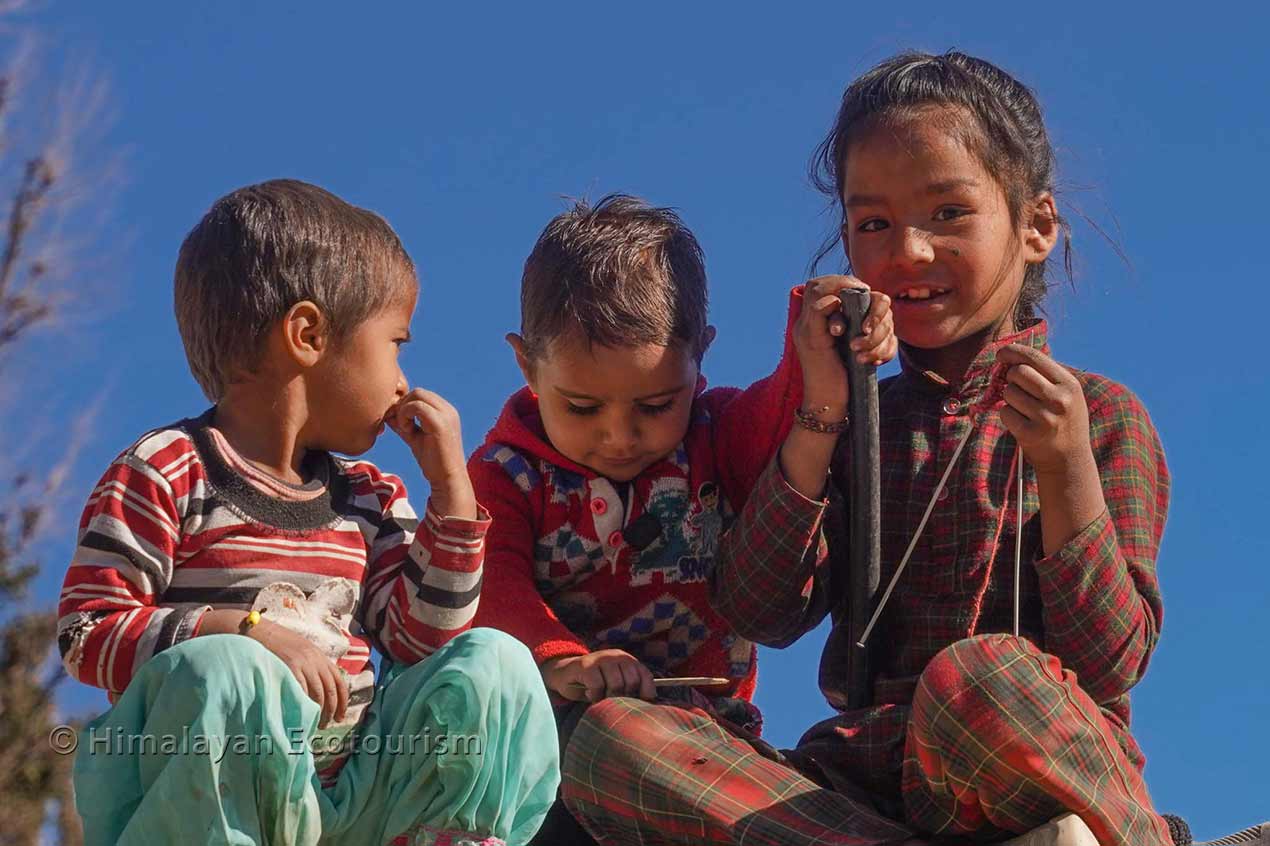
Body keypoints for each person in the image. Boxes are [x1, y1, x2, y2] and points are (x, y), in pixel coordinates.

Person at [560, 51, 1193, 846]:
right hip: (864, 788)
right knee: (616, 738)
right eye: (873, 224)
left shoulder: (1098, 416)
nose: (910, 253)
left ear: (1035, 227)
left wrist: (1064, 469)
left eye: (949, 214)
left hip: (1019, 754)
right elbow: (761, 610)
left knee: (978, 678)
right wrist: (820, 408)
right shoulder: (856, 422)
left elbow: (1108, 665)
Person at [57, 179, 559, 846]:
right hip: (197, 800)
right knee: (229, 671)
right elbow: (87, 634)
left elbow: (421, 642)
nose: (403, 380)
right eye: (395, 343)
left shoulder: (369, 498)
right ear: (308, 334)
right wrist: (243, 628)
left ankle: (448, 835)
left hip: (346, 800)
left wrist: (451, 494)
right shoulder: (168, 468)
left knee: (493, 660)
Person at [467, 194, 897, 843]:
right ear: (527, 364)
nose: (620, 435)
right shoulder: (505, 476)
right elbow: (488, 587)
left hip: (711, 741)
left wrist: (814, 342)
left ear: (701, 356)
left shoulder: (713, 435)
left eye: (656, 403)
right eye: (582, 407)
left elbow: (780, 419)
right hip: (560, 743)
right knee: (608, 733)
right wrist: (559, 661)